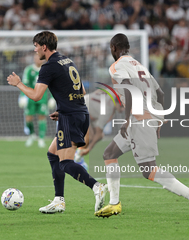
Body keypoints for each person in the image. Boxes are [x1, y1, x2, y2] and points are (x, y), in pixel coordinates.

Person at [94, 33, 189, 220]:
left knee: (148, 170)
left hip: (138, 120)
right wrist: (158, 119)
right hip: (146, 119)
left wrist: (127, 119)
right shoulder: (140, 66)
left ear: (114, 48)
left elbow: (129, 89)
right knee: (109, 154)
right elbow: (160, 93)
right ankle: (114, 204)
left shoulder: (116, 66)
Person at [7, 31, 108, 214]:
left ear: (44, 46)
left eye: (36, 46)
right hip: (77, 114)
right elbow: (82, 91)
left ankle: (96, 186)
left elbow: (37, 96)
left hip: (70, 117)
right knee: (53, 154)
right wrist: (63, 111)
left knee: (65, 162)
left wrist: (19, 84)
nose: (35, 49)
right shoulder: (67, 61)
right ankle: (58, 200)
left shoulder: (48, 67)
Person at [74, 89, 122, 169]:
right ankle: (76, 158)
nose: (123, 109)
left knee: (98, 136)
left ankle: (77, 157)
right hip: (81, 108)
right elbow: (99, 132)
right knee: (90, 136)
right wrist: (89, 149)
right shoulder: (108, 109)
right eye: (122, 106)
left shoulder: (113, 94)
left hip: (86, 107)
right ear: (116, 103)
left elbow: (99, 90)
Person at [18, 54, 55, 148]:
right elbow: (25, 83)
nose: (37, 60)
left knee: (42, 118)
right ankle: (31, 135)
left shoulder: (47, 69)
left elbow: (51, 85)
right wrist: (22, 96)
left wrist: (52, 98)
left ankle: (41, 139)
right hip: (31, 98)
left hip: (42, 98)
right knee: (28, 119)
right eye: (35, 58)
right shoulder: (29, 69)